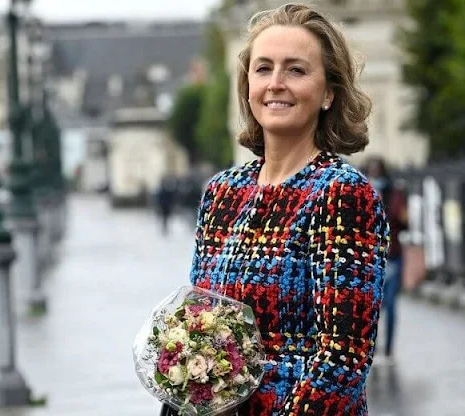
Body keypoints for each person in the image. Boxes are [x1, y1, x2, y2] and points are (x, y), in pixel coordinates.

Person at [166, 4, 390, 416]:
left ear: (328, 93)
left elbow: (342, 364)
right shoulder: (220, 193)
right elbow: (201, 325)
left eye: (296, 70)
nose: (276, 83)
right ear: (247, 85)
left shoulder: (343, 194)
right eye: (263, 68)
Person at [364, 157, 408, 363]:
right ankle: (372, 347)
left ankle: (389, 347)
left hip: (392, 255)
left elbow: (404, 221)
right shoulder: (361, 191)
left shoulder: (395, 194)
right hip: (370, 259)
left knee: (390, 304)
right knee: (372, 307)